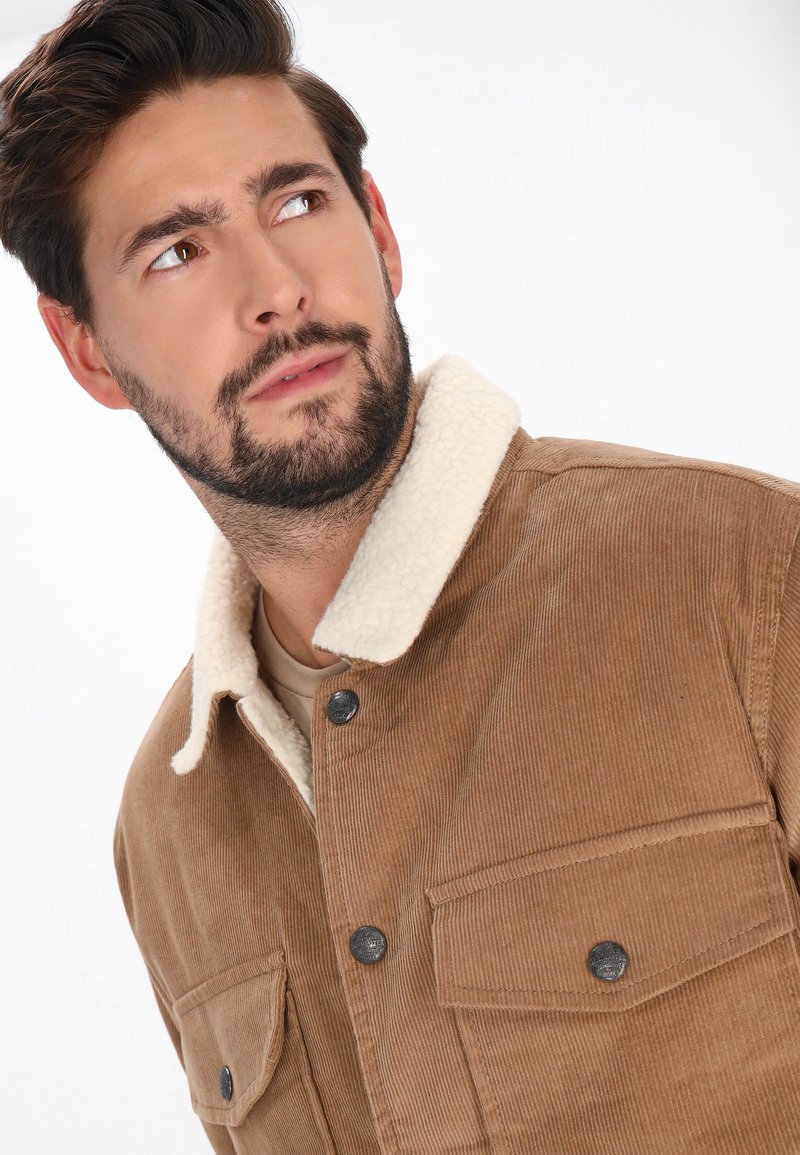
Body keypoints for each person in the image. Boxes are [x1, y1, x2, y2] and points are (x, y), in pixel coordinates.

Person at [2, 0, 800, 1151]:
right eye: (176, 251)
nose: (275, 288)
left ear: (378, 230)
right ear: (87, 352)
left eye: (295, 202)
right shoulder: (165, 822)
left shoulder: (748, 578)